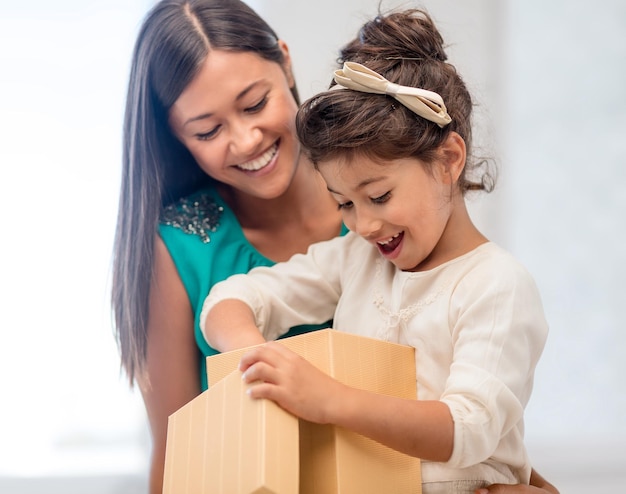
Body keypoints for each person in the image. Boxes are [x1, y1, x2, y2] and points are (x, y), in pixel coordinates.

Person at [110, 1, 558, 493]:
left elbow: (477, 430)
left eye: (255, 104)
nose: (244, 139)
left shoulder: (439, 262)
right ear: (177, 136)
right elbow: (177, 456)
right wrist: (260, 359)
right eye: (208, 130)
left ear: (285, 63)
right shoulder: (357, 255)